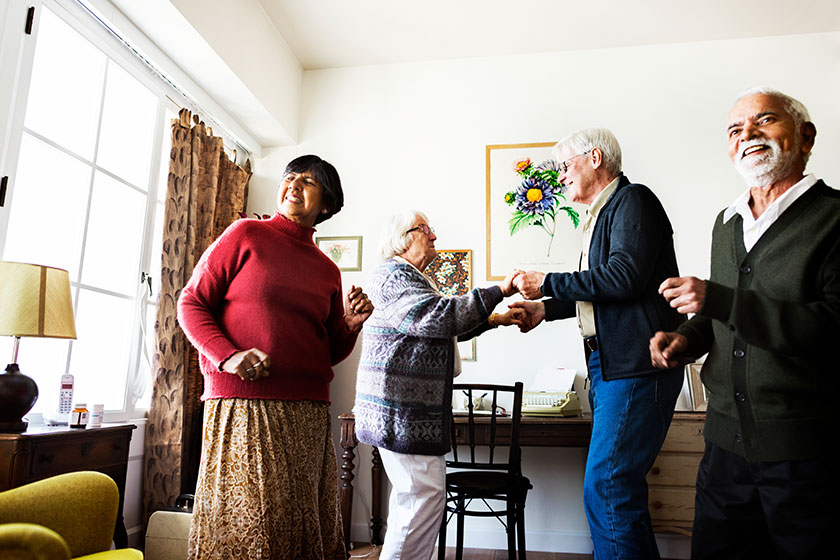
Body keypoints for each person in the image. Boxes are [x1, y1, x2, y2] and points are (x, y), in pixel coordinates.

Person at [650, 87, 839, 559]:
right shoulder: (726, 222)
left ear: (805, 137)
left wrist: (719, 300)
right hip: (723, 446)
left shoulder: (834, 218)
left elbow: (832, 326)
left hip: (805, 451)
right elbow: (721, 313)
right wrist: (686, 339)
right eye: (735, 129)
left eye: (765, 120)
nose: (747, 135)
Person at [177, 154, 373, 560]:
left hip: (309, 413)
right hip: (245, 404)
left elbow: (327, 350)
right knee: (251, 525)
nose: (293, 184)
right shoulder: (245, 234)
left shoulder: (326, 269)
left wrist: (350, 325)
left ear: (327, 204)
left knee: (299, 526)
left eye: (308, 181)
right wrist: (227, 356)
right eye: (290, 177)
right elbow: (191, 303)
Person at [510, 128, 685, 559]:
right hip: (613, 368)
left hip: (635, 368)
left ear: (594, 158)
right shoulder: (604, 215)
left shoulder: (633, 201)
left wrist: (547, 282)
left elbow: (623, 277)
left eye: (565, 166)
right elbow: (603, 292)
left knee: (608, 488)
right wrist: (545, 310)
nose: (560, 177)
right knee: (616, 489)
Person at [353, 210, 524, 560]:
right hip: (402, 411)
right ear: (404, 236)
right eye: (426, 230)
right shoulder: (394, 275)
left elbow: (439, 325)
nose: (434, 237)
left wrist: (495, 320)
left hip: (404, 410)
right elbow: (439, 317)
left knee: (415, 501)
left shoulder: (408, 277)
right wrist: (500, 290)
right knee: (421, 501)